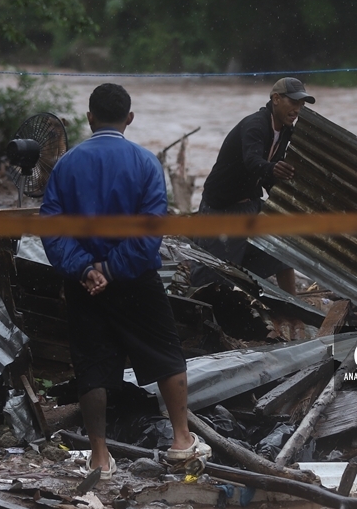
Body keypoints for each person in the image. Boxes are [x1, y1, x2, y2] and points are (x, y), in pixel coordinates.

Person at [41, 83, 209, 480]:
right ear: (129, 119)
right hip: (135, 278)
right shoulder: (146, 163)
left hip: (84, 285)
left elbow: (51, 228)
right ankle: (182, 441)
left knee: (93, 366)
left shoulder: (66, 164)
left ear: (89, 117)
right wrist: (113, 268)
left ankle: (100, 458)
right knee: (166, 355)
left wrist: (87, 270)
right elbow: (151, 231)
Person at [195, 77, 315, 294]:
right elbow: (252, 161)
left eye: (301, 105)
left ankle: (293, 306)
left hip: (250, 203)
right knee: (214, 277)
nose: (297, 109)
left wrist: (283, 198)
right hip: (221, 208)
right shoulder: (255, 125)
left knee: (281, 250)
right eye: (293, 102)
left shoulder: (286, 130)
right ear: (276, 99)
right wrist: (272, 169)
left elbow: (267, 175)